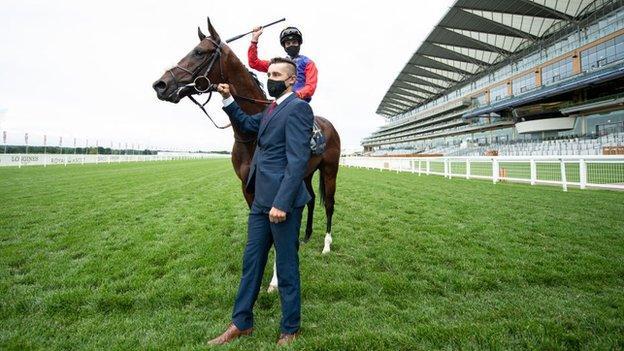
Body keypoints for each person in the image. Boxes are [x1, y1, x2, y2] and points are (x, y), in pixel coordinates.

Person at [207, 57, 314, 346]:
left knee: (288, 267)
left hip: (283, 204)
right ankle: (241, 323)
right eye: (269, 73)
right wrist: (229, 99)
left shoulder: (299, 109)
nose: (271, 78)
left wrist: (281, 203)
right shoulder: (270, 110)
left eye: (277, 74)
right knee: (251, 263)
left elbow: (297, 161)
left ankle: (290, 328)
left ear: (292, 80)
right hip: (260, 202)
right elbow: (244, 124)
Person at [248, 26, 318, 102]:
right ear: (284, 46)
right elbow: (254, 63)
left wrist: (294, 95)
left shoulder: (308, 63)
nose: (291, 45)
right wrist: (254, 40)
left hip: (298, 102)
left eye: (294, 42)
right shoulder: (279, 64)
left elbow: (311, 87)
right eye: (288, 43)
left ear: (299, 44)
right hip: (280, 102)